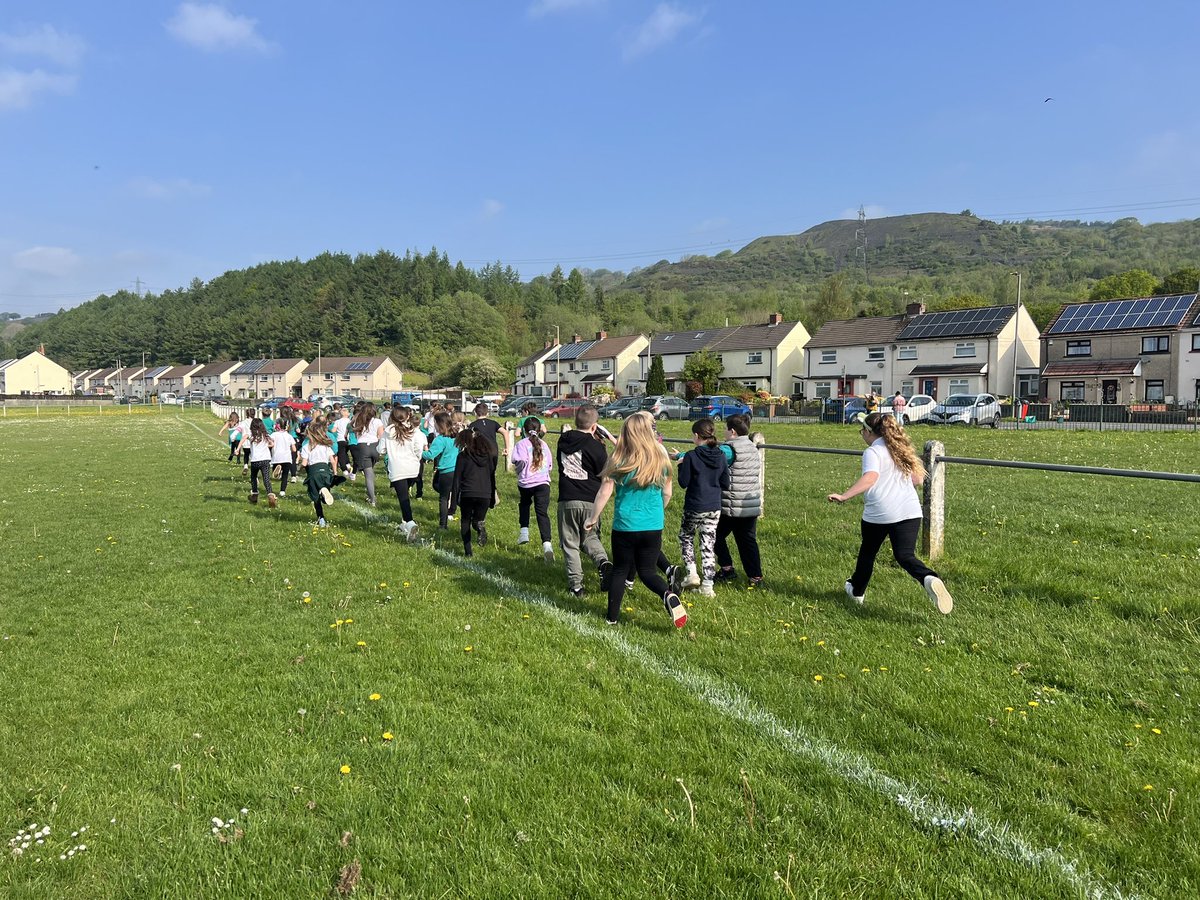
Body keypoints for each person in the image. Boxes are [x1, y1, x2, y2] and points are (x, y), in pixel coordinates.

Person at [827, 412, 953, 614]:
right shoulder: (899, 449)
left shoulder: (873, 452)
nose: (861, 434)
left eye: (862, 430)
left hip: (880, 512)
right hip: (910, 511)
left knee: (868, 553)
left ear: (869, 432)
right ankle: (929, 578)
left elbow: (871, 477)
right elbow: (918, 480)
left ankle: (857, 592)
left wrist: (844, 496)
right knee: (905, 556)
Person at [585, 411, 686, 629]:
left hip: (625, 525)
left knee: (621, 570)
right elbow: (667, 492)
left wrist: (593, 517)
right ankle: (667, 594)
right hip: (653, 524)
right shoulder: (661, 458)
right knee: (648, 572)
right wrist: (658, 511)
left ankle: (612, 618)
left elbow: (605, 491)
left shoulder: (619, 458)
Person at [557, 403, 612, 599]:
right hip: (591, 499)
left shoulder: (563, 440)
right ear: (595, 426)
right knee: (590, 537)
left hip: (568, 498)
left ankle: (577, 586)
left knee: (570, 543)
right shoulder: (597, 447)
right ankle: (603, 562)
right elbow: (604, 475)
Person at [676, 418, 730, 598]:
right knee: (708, 542)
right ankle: (708, 585)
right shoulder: (721, 455)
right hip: (714, 506)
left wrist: (681, 466)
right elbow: (725, 483)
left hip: (695, 504)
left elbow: (683, 483)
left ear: (697, 436)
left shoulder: (691, 456)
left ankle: (691, 573)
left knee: (686, 536)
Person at [712, 414, 764, 588]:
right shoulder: (752, 447)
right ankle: (755, 577)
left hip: (732, 504)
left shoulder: (729, 449)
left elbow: (709, 458)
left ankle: (727, 569)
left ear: (732, 431)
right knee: (748, 541)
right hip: (750, 504)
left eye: (726, 429)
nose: (724, 433)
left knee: (714, 536)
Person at [379, 404, 426, 542]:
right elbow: (419, 449)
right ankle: (405, 523)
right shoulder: (414, 431)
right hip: (413, 469)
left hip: (398, 469)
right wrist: (416, 458)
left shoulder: (388, 432)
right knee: (405, 497)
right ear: (408, 416)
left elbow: (381, 450)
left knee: (403, 499)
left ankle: (410, 523)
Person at [511, 417, 554, 562]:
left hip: (526, 483)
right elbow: (549, 465)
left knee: (524, 504)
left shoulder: (521, 444)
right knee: (542, 513)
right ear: (539, 429)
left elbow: (520, 461)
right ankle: (547, 545)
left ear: (524, 430)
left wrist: (519, 471)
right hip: (543, 483)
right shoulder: (544, 444)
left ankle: (524, 532)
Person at [453, 424, 497, 557]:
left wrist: (453, 504)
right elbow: (491, 477)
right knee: (478, 520)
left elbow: (456, 480)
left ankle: (468, 552)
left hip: (468, 492)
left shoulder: (462, 456)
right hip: (485, 493)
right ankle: (479, 527)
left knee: (465, 520)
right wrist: (492, 499)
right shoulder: (488, 456)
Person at [300, 421, 344, 528]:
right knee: (325, 492)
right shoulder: (325, 446)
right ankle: (324, 491)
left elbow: (304, 463)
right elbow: (333, 461)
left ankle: (321, 519)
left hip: (313, 473)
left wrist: (300, 470)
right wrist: (335, 473)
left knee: (316, 499)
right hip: (325, 471)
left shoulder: (307, 447)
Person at [422, 410, 460, 529]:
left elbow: (430, 455)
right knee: (450, 492)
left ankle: (443, 525)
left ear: (440, 425)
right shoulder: (457, 436)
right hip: (457, 471)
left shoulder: (440, 439)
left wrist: (419, 452)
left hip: (446, 471)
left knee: (443, 498)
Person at [349, 402, 385, 506]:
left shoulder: (358, 420)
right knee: (371, 472)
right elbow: (380, 435)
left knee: (368, 475)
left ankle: (372, 499)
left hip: (363, 447)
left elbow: (355, 434)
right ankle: (371, 495)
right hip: (375, 446)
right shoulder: (378, 421)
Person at [238, 417, 277, 507]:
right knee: (266, 478)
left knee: (253, 477)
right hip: (266, 460)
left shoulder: (251, 435)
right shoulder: (265, 435)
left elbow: (244, 438)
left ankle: (254, 495)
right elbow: (272, 444)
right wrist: (268, 445)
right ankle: (270, 494)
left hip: (255, 460)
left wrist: (238, 448)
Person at [269, 416, 297, 499]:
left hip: (276, 457)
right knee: (285, 476)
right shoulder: (289, 436)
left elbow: (270, 444)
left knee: (275, 473)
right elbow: (294, 449)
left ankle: (278, 470)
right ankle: (282, 491)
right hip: (286, 457)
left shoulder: (273, 434)